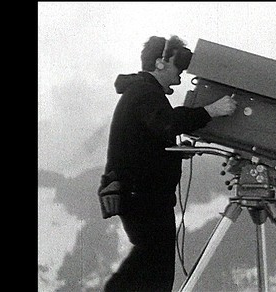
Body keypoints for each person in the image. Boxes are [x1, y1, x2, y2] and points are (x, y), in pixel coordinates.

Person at [98, 35, 237, 291]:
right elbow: (168, 123)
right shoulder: (144, 92)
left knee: (148, 267)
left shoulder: (143, 91)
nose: (182, 71)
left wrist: (173, 152)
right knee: (155, 273)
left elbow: (146, 141)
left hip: (142, 196)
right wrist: (211, 111)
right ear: (160, 63)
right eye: (177, 64)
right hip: (144, 199)